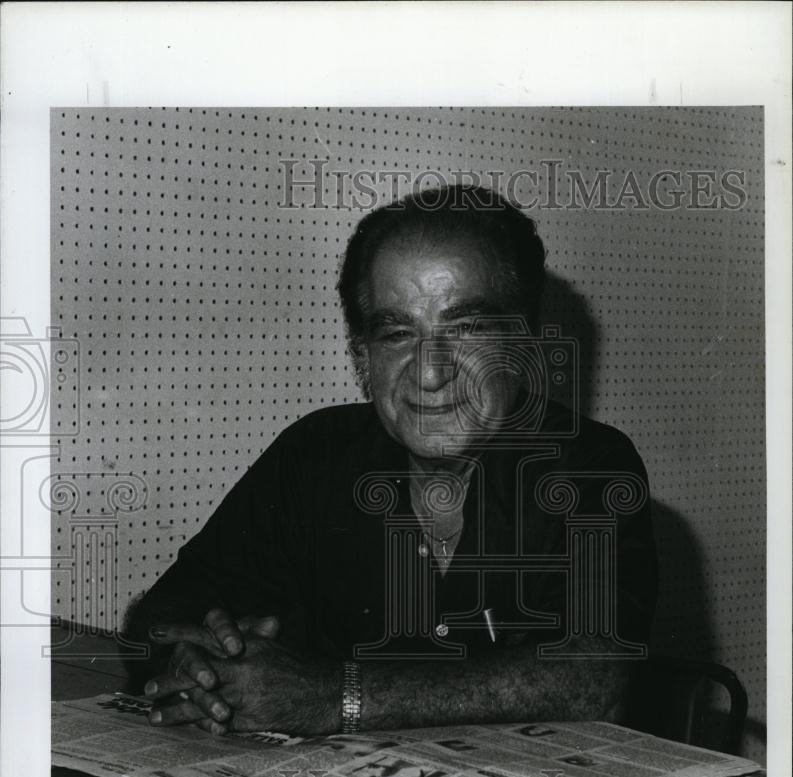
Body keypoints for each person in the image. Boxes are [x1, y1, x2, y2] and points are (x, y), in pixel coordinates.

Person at [124, 184, 657, 736]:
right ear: (362, 357)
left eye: (467, 328)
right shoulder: (314, 454)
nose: (429, 372)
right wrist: (201, 664)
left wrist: (334, 698)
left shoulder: (591, 466)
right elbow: (162, 613)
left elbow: (594, 678)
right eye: (398, 333)